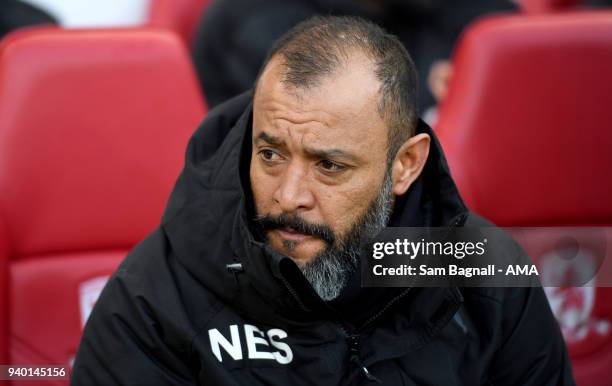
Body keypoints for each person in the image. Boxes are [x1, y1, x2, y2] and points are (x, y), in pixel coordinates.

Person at [72, 16, 574, 385]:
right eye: (269, 154)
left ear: (405, 166)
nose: (288, 196)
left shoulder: (487, 278)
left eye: (329, 166)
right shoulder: (155, 294)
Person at [192, 0, 516, 112]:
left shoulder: (460, 10)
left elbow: (523, 58)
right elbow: (334, 141)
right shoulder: (256, 18)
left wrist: (484, 76)